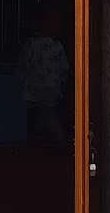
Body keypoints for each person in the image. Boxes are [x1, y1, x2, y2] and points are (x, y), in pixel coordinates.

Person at [15, 8, 69, 143]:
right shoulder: (57, 46)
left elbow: (24, 63)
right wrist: (63, 80)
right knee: (45, 110)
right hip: (53, 85)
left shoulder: (32, 44)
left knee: (46, 112)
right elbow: (64, 67)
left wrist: (20, 76)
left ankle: (60, 138)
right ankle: (41, 137)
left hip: (36, 84)